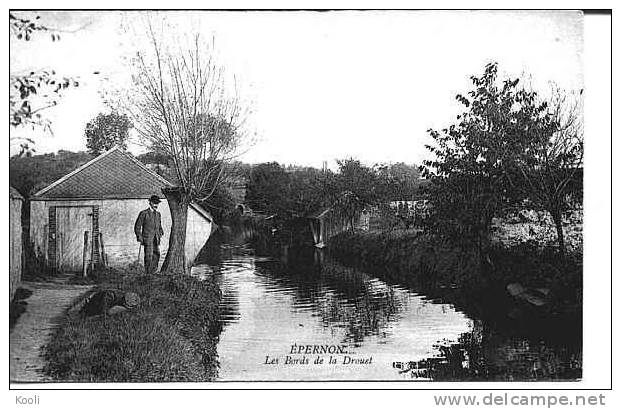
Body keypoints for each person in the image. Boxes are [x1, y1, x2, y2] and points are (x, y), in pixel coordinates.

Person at [134, 195, 164, 274]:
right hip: (147, 239)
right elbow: (137, 227)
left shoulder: (158, 214)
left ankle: (154, 272)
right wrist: (139, 237)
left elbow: (159, 226)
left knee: (157, 255)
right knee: (148, 256)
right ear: (150, 203)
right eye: (154, 203)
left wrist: (160, 233)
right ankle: (148, 273)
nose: (156, 205)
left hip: (156, 239)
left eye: (157, 203)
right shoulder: (144, 213)